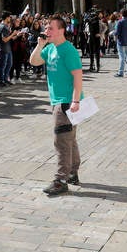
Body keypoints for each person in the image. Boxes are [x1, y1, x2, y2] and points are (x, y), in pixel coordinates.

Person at [29, 16, 83, 196]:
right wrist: (40, 45)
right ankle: (73, 172)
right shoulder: (50, 48)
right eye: (46, 28)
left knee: (61, 141)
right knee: (70, 138)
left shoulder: (69, 50)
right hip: (57, 100)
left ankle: (61, 179)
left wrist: (75, 101)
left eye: (50, 28)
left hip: (66, 102)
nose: (47, 31)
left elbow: (78, 76)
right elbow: (34, 61)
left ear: (61, 30)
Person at [114, 9, 127, 77]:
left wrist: (112, 33)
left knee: (122, 57)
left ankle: (121, 72)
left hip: (121, 42)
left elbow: (117, 32)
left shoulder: (120, 22)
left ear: (121, 14)